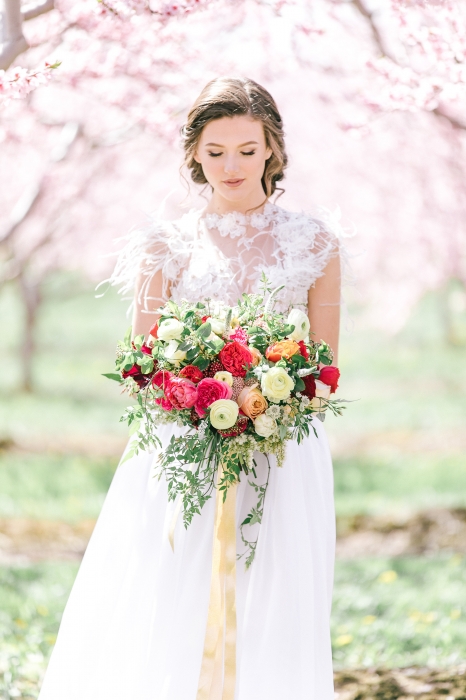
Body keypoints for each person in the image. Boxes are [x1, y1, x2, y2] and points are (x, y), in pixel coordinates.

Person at [38, 76, 342, 700]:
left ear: (273, 151)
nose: (232, 166)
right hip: (180, 450)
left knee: (275, 592)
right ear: (194, 156)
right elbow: (143, 365)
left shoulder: (314, 243)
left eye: (247, 150)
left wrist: (266, 400)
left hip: (280, 449)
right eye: (215, 151)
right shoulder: (164, 245)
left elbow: (326, 367)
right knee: (167, 585)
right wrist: (198, 395)